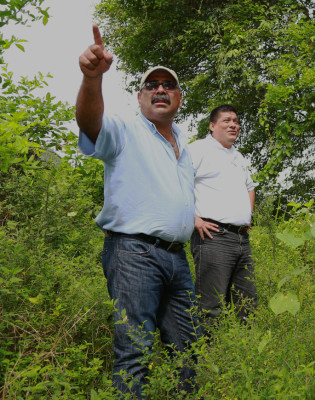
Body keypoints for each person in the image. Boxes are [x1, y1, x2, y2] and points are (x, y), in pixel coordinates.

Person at [76, 24, 201, 398]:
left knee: (189, 352)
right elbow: (90, 121)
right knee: (134, 352)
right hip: (134, 254)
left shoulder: (184, 144)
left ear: (179, 97)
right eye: (152, 85)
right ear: (140, 96)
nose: (160, 89)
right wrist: (91, 79)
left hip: (178, 260)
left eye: (168, 85)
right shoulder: (126, 131)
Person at [188, 105, 257, 327]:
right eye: (226, 120)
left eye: (236, 121)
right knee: (210, 306)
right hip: (213, 236)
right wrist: (193, 218)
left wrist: (249, 215)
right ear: (211, 126)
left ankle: (245, 357)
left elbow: (250, 187)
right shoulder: (198, 150)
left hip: (241, 239)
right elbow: (177, 182)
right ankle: (207, 359)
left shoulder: (239, 156)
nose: (233, 125)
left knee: (248, 304)